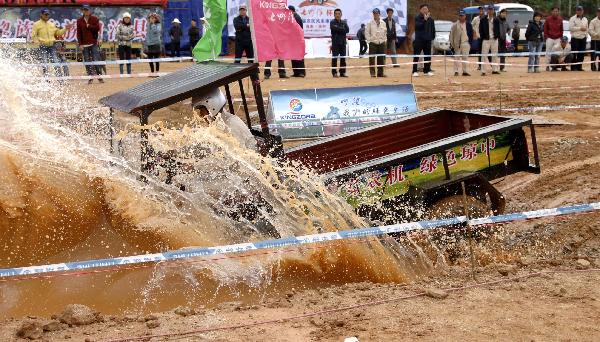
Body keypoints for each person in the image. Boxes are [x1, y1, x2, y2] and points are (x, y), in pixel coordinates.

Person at [32, 9, 72, 76]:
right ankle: (46, 80)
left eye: (48, 14)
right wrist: (37, 42)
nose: (47, 16)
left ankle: (59, 79)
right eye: (45, 14)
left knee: (56, 63)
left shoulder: (52, 24)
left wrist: (65, 29)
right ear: (41, 15)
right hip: (43, 47)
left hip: (52, 46)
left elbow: (58, 33)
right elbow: (33, 36)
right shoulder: (36, 24)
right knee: (45, 64)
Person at [76, 4, 103, 84]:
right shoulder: (79, 21)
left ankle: (99, 76)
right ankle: (90, 77)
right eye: (84, 10)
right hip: (84, 44)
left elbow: (97, 28)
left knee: (96, 60)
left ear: (90, 10)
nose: (86, 11)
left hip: (93, 43)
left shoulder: (95, 19)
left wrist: (89, 26)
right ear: (82, 11)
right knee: (87, 61)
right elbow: (79, 33)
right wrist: (80, 44)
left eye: (87, 10)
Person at [412, 4, 435, 77]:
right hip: (419, 40)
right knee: (416, 56)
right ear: (420, 10)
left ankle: (426, 70)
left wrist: (432, 37)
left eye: (426, 9)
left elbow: (433, 29)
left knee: (428, 56)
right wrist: (424, 20)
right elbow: (417, 27)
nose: (425, 10)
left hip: (428, 40)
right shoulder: (417, 18)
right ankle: (414, 71)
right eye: (424, 9)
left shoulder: (431, 19)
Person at [449, 10, 473, 76]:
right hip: (457, 44)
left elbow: (471, 34)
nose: (461, 17)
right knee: (456, 58)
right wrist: (452, 44)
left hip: (466, 43)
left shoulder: (468, 24)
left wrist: (469, 43)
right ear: (458, 16)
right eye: (460, 16)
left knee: (465, 58)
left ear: (465, 16)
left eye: (462, 16)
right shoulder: (455, 25)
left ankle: (465, 71)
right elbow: (451, 35)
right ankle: (456, 71)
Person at [366, 8, 387, 77]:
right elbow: (367, 33)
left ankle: (380, 73)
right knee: (372, 59)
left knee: (381, 58)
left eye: (377, 13)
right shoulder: (369, 23)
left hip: (382, 43)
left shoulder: (383, 23)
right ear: (373, 14)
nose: (376, 15)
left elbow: (385, 32)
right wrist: (369, 41)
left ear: (379, 14)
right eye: (374, 13)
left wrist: (384, 40)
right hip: (373, 43)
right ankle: (372, 73)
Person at [479, 5, 500, 76]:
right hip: (486, 39)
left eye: (492, 10)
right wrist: (483, 37)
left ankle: (495, 70)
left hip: (494, 39)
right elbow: (480, 29)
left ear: (494, 11)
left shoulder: (496, 19)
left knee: (495, 55)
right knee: (484, 55)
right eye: (489, 10)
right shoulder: (483, 19)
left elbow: (498, 29)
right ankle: (483, 71)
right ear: (487, 11)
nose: (490, 11)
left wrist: (497, 36)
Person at [330, 8, 349, 77]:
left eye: (339, 14)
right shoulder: (332, 22)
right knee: (334, 58)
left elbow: (347, 30)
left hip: (343, 43)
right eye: (336, 14)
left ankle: (342, 72)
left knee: (343, 58)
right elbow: (334, 28)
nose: (337, 15)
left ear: (341, 14)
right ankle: (334, 72)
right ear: (334, 15)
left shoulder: (344, 22)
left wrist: (338, 28)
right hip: (335, 43)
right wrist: (342, 29)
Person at [544, 7, 563, 71]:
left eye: (557, 11)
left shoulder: (560, 19)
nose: (555, 12)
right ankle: (547, 66)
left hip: (558, 38)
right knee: (548, 52)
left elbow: (561, 29)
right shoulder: (548, 19)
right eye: (554, 11)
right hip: (550, 38)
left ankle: (554, 66)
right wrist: (546, 37)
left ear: (558, 12)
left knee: (557, 53)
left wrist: (560, 37)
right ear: (551, 12)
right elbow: (545, 29)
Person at [569, 6, 588, 71]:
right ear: (576, 11)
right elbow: (571, 28)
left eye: (581, 10)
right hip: (575, 38)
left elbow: (586, 28)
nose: (579, 12)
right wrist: (580, 28)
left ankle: (579, 67)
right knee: (574, 53)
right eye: (578, 10)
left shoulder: (585, 19)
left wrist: (586, 36)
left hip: (583, 38)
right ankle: (573, 67)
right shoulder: (572, 18)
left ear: (583, 11)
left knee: (581, 53)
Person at [289, 6, 306, 77]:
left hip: (298, 40)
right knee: (293, 56)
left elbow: (297, 29)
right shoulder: (292, 17)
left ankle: (302, 72)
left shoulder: (296, 17)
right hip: (293, 40)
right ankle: (296, 72)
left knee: (299, 56)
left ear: (291, 11)